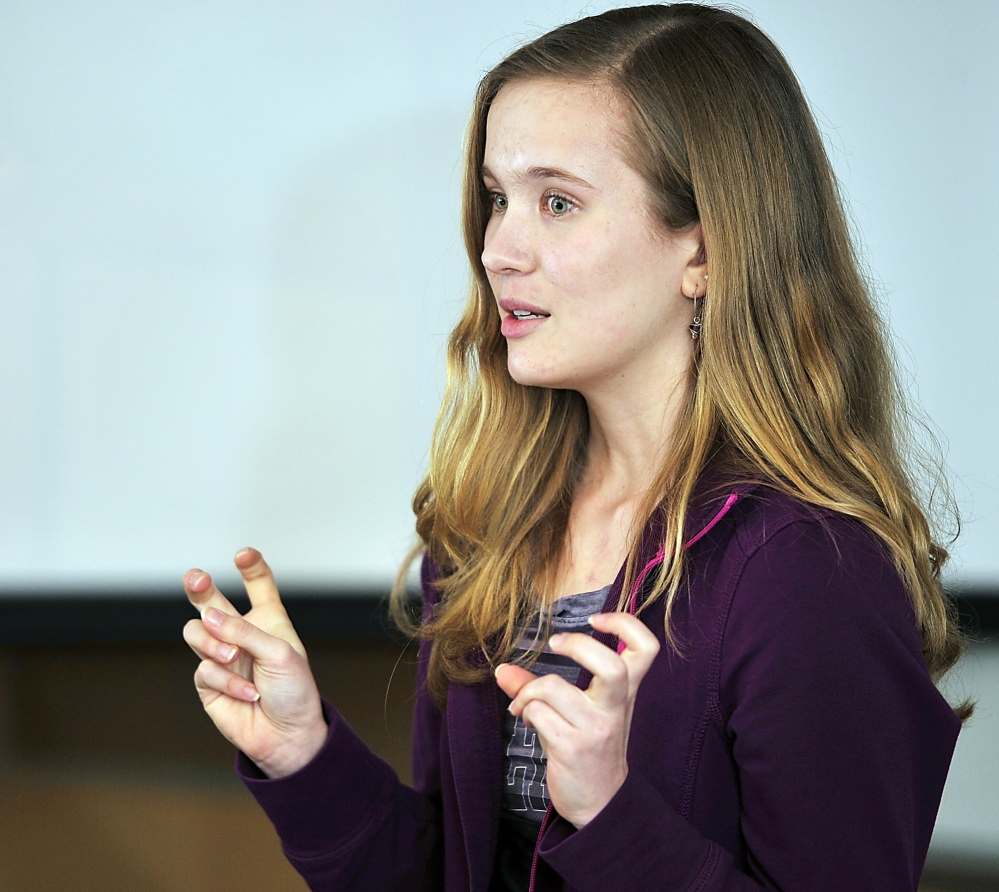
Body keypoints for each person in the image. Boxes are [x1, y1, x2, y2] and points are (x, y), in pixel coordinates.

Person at [182, 4, 969, 890]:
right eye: (496, 198)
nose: (496, 249)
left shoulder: (808, 567)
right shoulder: (489, 526)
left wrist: (609, 814)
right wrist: (305, 755)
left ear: (703, 249)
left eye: (556, 202)